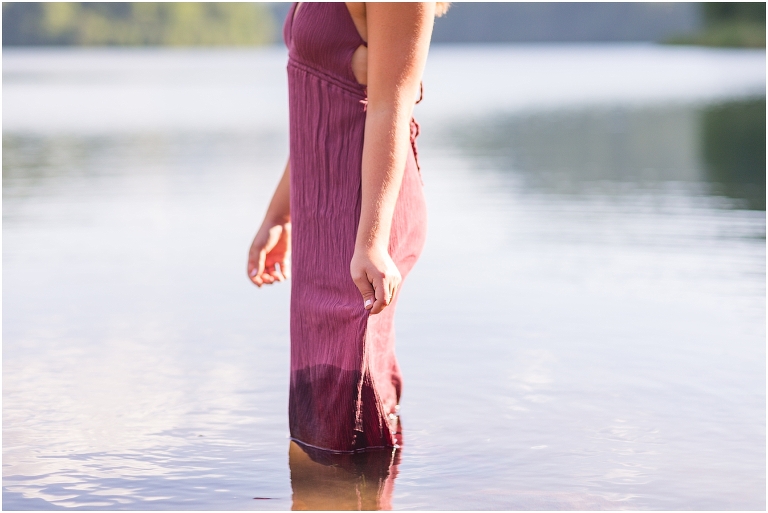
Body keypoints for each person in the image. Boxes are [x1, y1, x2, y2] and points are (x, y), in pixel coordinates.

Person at [247, 2, 448, 453]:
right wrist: (279, 214)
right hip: (321, 214)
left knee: (354, 414)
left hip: (364, 214)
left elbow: (389, 108)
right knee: (319, 419)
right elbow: (318, 105)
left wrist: (372, 240)